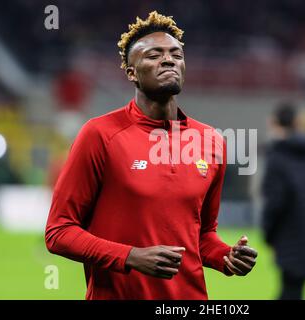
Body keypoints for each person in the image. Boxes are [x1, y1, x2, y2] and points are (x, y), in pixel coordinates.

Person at [45, 11, 257, 300]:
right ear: (132, 73)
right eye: (154, 55)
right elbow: (59, 232)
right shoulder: (100, 134)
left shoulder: (212, 141)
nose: (168, 60)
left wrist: (226, 257)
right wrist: (130, 256)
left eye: (176, 54)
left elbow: (202, 235)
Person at [261, 102, 305, 300]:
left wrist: (269, 235)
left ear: (275, 123)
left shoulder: (279, 156)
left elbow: (275, 202)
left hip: (287, 233)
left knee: (289, 290)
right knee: (295, 290)